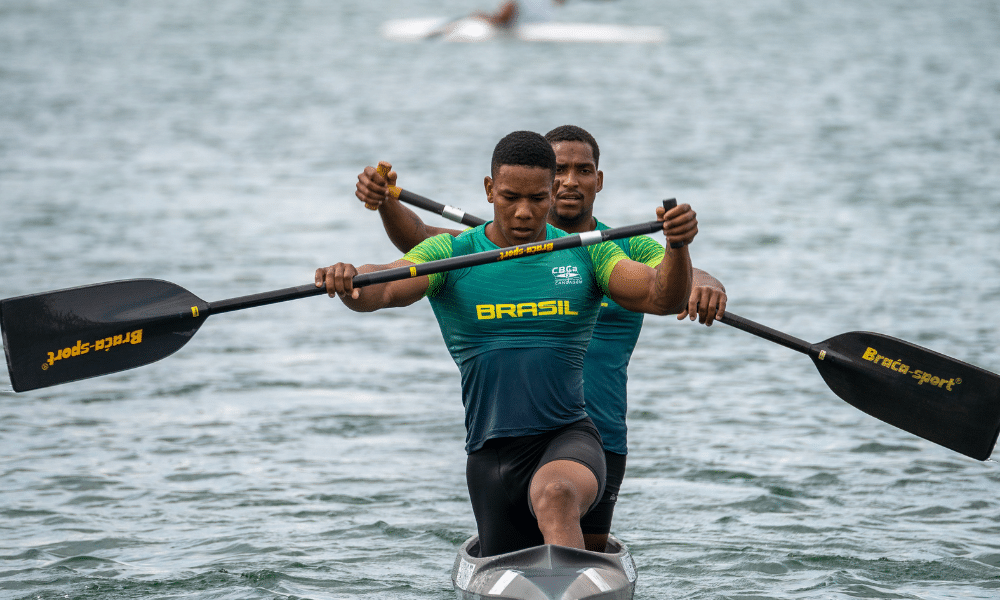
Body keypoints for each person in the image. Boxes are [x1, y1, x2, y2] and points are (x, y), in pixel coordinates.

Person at [317, 130, 698, 557]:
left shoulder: (589, 254)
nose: (523, 213)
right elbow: (383, 288)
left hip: (569, 436)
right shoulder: (452, 253)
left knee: (556, 495)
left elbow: (663, 297)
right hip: (490, 456)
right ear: (488, 190)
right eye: (510, 197)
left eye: (537, 199)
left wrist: (677, 248)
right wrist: (350, 281)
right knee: (507, 560)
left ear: (550, 193)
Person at [476, 0, 565, 28]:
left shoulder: (513, 3)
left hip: (524, 31)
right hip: (545, 27)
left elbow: (502, 21)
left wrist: (481, 17)